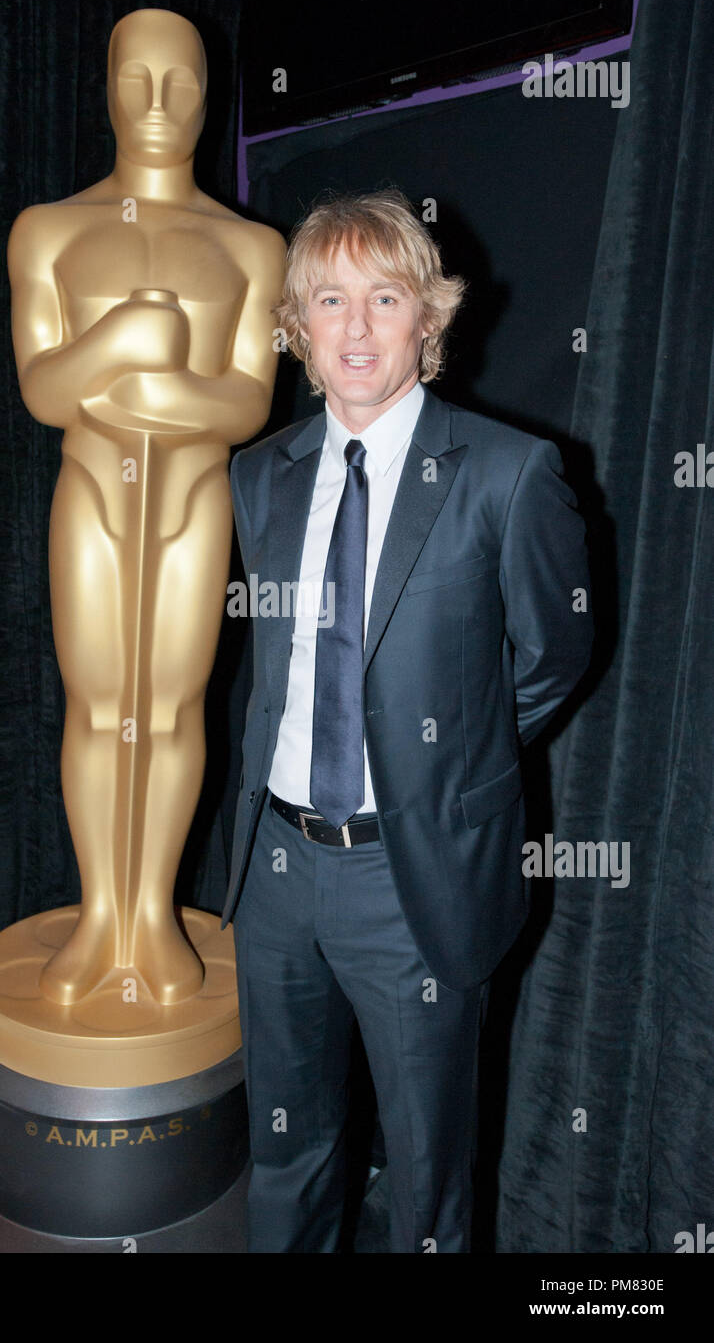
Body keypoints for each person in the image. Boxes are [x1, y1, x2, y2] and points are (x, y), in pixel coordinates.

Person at [219, 188, 593, 1252]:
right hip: (276, 875)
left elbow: (556, 652)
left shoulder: (509, 475)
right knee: (288, 1151)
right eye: (327, 299)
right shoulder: (259, 477)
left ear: (427, 317)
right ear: (295, 324)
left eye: (383, 297)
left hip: (414, 879)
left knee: (429, 1177)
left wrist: (448, 763)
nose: (353, 327)